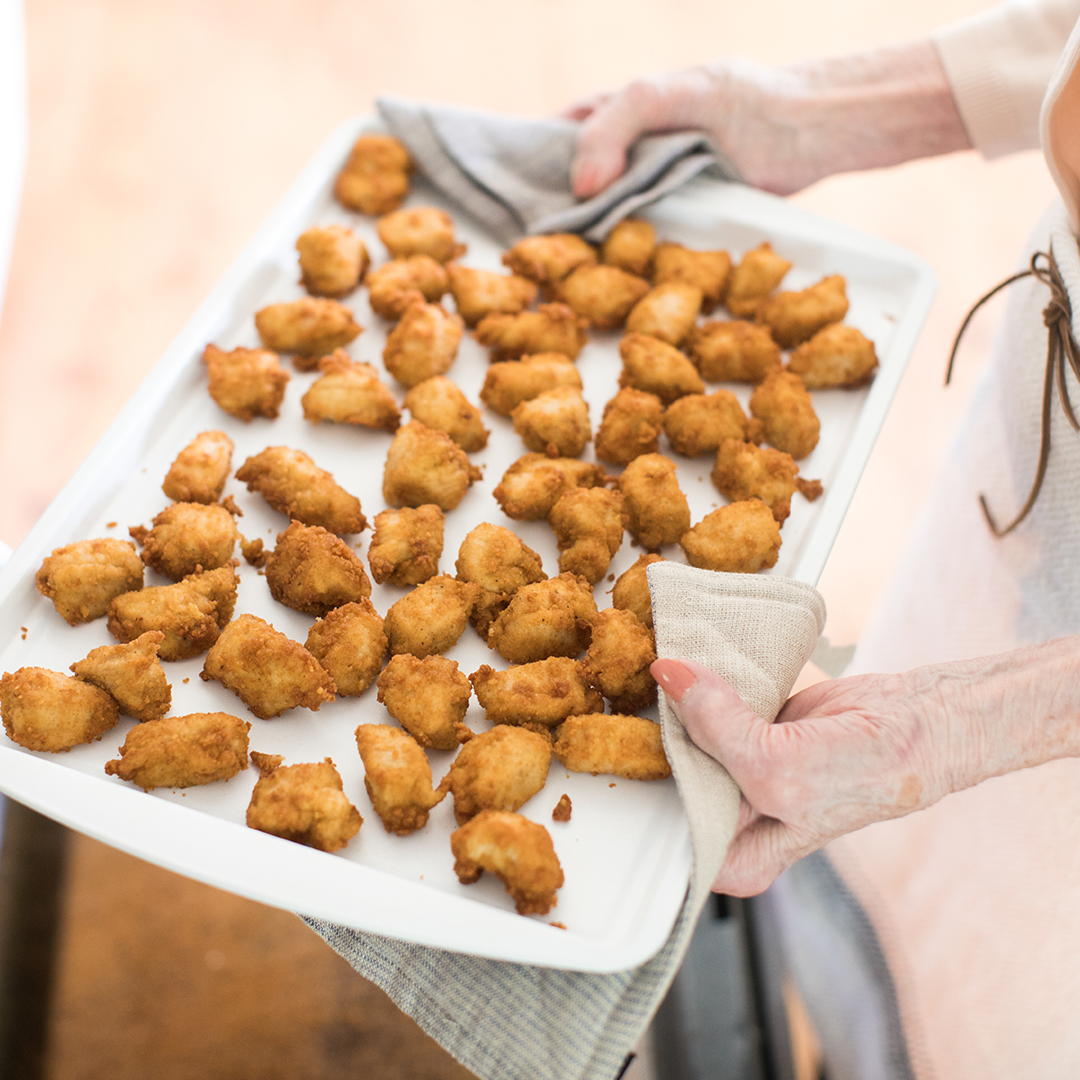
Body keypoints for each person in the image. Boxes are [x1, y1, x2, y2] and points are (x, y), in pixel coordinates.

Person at [565, 3, 1080, 1077]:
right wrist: (809, 113)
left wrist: (965, 726)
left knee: (1018, 997)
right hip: (1050, 460)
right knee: (884, 878)